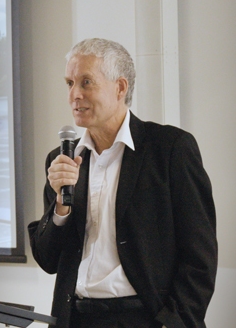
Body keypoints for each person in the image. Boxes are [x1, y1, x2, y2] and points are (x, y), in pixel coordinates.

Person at [28, 38, 217, 328]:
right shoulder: (62, 158)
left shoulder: (169, 148)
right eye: (69, 83)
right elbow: (48, 259)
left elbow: (200, 254)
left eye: (86, 82)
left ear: (120, 87)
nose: (74, 95)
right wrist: (61, 209)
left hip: (144, 319)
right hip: (76, 318)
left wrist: (176, 322)